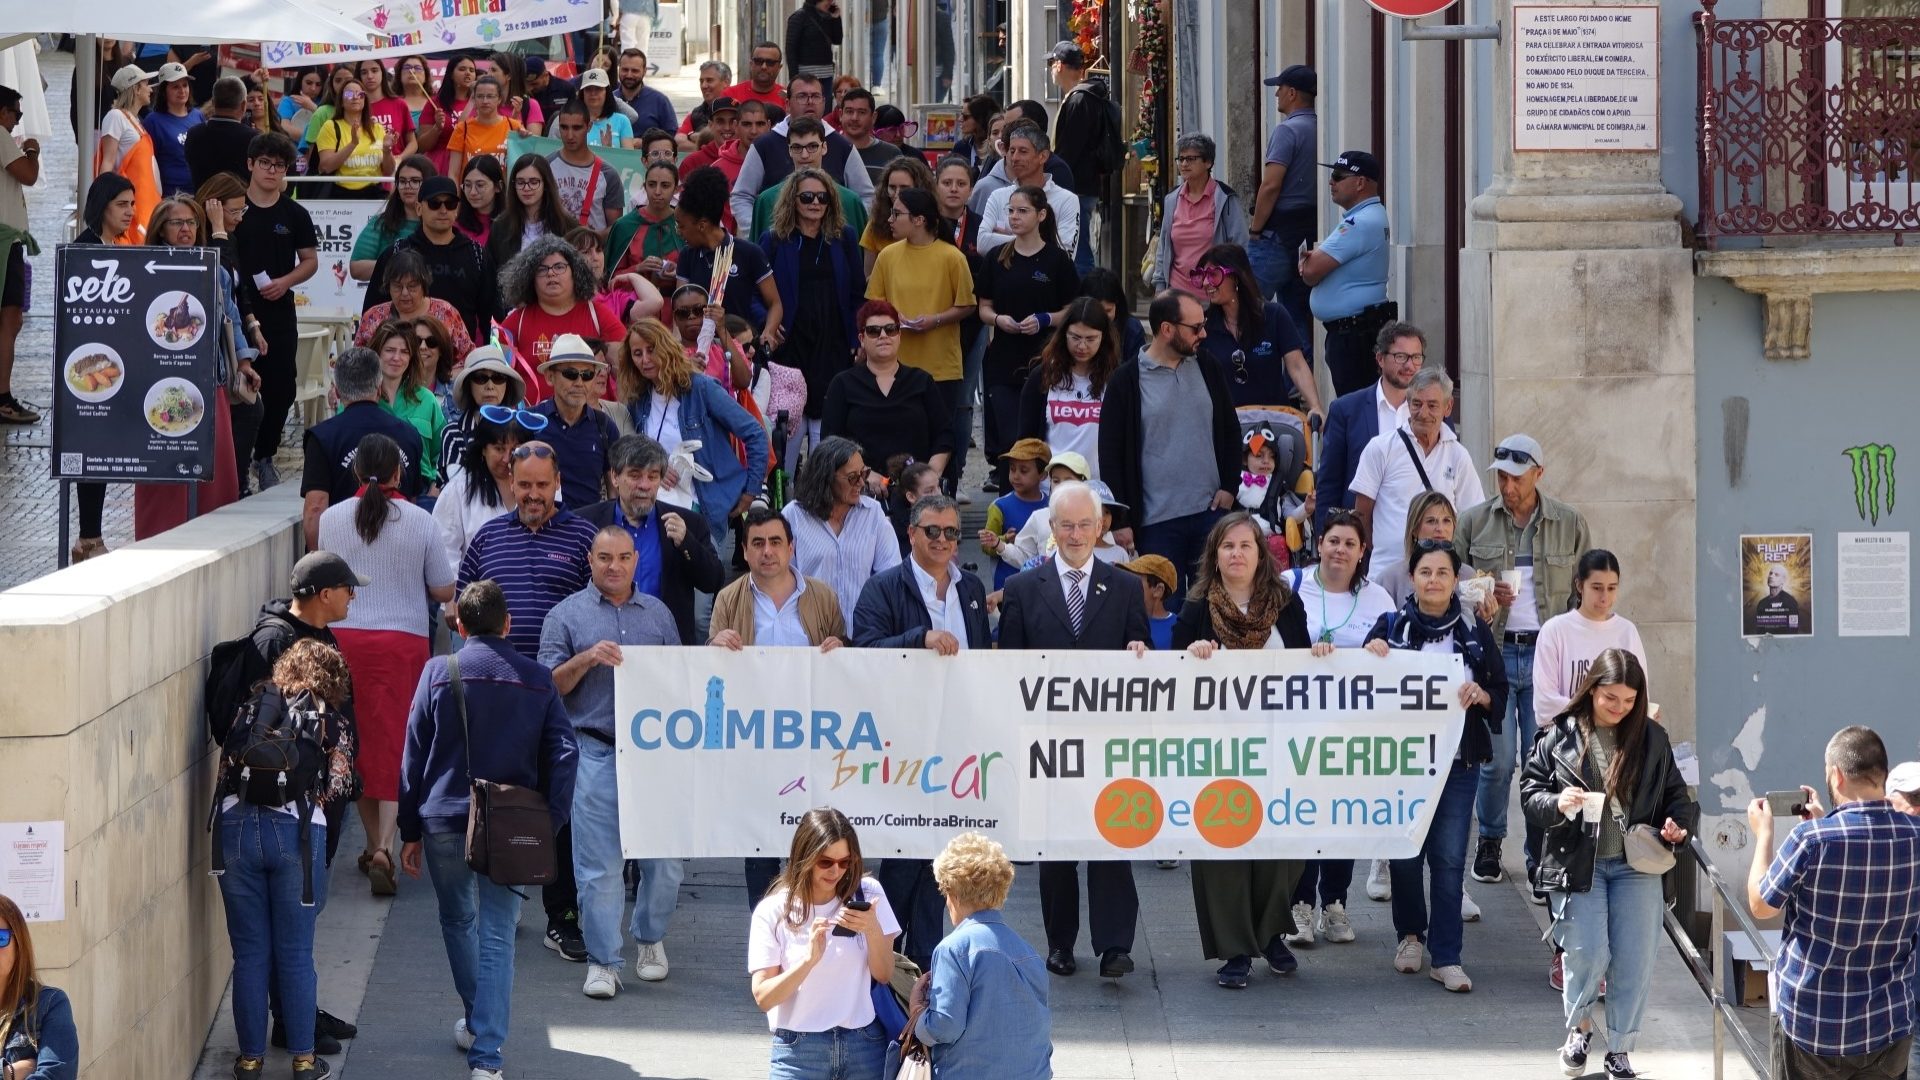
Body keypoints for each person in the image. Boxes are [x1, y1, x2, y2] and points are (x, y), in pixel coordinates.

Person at [397, 578, 576, 1080]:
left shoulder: (438, 672)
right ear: (508, 624)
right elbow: (564, 753)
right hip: (511, 823)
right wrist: (550, 820)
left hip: (445, 819)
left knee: (458, 920)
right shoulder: (537, 679)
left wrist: (408, 830)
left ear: (459, 626)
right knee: (498, 934)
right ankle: (487, 1055)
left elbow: (413, 755)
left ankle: (479, 1022)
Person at [1518, 648, 1694, 1079]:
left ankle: (1620, 1048)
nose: (1619, 708)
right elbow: (1530, 791)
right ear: (1592, 689)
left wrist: (1678, 826)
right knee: (1587, 952)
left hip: (1637, 865)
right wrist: (1558, 802)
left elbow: (1677, 795)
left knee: (1634, 959)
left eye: (1629, 700)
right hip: (1580, 864)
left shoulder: (1652, 738)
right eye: (1610, 697)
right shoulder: (1559, 734)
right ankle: (1579, 1030)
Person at [998, 481, 1150, 977]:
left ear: (1101, 526)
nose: (1077, 534)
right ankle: (1060, 944)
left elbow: (1142, 651)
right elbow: (1010, 668)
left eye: (1086, 524)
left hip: (1109, 741)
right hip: (1047, 743)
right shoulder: (1023, 589)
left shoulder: (1125, 587)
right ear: (1052, 527)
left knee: (1112, 836)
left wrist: (1139, 652)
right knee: (1056, 849)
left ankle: (1115, 946)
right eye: (1067, 525)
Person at [539, 526, 682, 999]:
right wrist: (586, 659)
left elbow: (682, 680)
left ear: (636, 560)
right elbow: (550, 686)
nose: (614, 566)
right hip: (594, 750)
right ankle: (603, 961)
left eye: (623, 557)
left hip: (654, 756)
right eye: (604, 557)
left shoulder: (659, 614)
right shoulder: (565, 615)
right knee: (598, 866)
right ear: (590, 560)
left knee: (665, 864)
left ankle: (650, 937)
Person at [1170, 512, 1311, 988]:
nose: (1236, 554)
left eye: (1245, 545)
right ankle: (1234, 949)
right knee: (1223, 848)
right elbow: (1172, 678)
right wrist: (1192, 657)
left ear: (1260, 554)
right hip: (1218, 753)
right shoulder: (1195, 608)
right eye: (1227, 546)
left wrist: (1323, 657)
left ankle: (1270, 933)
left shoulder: (1286, 604)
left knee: (1282, 845)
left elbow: (1306, 668)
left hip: (1279, 748)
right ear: (1215, 555)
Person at [849, 493, 988, 965]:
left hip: (957, 737)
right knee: (906, 846)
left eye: (952, 532)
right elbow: (864, 652)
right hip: (902, 739)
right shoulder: (883, 588)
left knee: (940, 849)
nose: (943, 540)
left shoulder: (971, 588)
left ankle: (921, 958)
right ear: (911, 534)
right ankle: (885, 947)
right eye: (933, 531)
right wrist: (919, 639)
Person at [1364, 540, 1507, 993]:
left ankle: (1447, 957)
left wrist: (1481, 696)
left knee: (1448, 859)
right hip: (1402, 764)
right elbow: (1360, 684)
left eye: (1443, 573)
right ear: (1412, 578)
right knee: (1405, 855)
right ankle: (1410, 936)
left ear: (1454, 581)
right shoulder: (1391, 626)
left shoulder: (1474, 630)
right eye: (1425, 572)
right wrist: (1372, 653)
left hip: (1458, 762)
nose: (1433, 580)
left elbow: (1499, 689)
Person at [318, 433, 457, 899]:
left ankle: (370, 842)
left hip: (346, 640)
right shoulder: (420, 521)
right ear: (400, 473)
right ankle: (385, 845)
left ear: (356, 471)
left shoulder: (332, 519)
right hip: (404, 644)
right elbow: (443, 588)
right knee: (399, 740)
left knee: (355, 739)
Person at [218, 639, 358, 1080]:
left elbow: (226, 770)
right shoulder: (331, 720)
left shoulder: (252, 709)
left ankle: (249, 1061)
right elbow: (338, 788)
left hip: (235, 829)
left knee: (249, 954)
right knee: (295, 953)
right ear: (333, 680)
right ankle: (303, 1060)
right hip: (297, 833)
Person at [1747, 725, 1920, 1080]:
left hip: (1815, 1028)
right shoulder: (1913, 835)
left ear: (1837, 775)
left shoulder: (1810, 840)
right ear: (1883, 774)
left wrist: (1764, 835)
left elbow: (1761, 904)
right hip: (1887, 1024)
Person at [1459, 433, 1590, 893]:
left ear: (1539, 473)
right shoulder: (1475, 521)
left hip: (1545, 656)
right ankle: (1490, 842)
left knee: (1545, 760)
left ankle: (1539, 857)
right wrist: (1482, 591)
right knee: (1497, 761)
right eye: (1501, 477)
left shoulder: (1569, 523)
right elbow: (1448, 580)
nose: (1507, 486)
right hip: (1495, 654)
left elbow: (1583, 590)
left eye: (1516, 477)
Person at [1279, 509, 1397, 943]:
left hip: (1353, 730)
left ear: (1363, 551)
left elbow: (1397, 655)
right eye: (1333, 541)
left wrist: (1381, 649)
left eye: (1350, 543)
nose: (1340, 550)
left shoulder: (1379, 599)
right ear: (1319, 544)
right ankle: (1300, 906)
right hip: (1298, 726)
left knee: (1343, 818)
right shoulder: (1291, 585)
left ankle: (1335, 904)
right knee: (1304, 816)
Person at [1098, 289, 1241, 603]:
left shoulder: (1207, 366)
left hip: (1210, 514)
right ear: (1166, 329)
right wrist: (1120, 521)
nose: (1203, 334)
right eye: (1195, 328)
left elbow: (1230, 430)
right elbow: (1110, 456)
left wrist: (1230, 486)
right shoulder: (1125, 381)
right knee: (1164, 610)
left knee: (1214, 608)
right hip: (1156, 523)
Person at [749, 809, 900, 1080]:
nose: (836, 871)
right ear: (804, 858)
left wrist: (872, 930)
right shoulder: (773, 910)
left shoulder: (868, 893)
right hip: (798, 1050)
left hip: (863, 1045)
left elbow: (884, 973)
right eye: (825, 862)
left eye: (845, 862)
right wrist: (807, 962)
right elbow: (764, 997)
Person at [128, 198, 249, 538]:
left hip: (209, 381)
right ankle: (156, 539)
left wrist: (244, 361)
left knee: (215, 475)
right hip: (157, 383)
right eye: (177, 222)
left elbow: (231, 318)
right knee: (161, 470)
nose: (186, 229)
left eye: (192, 222)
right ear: (160, 230)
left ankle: (211, 541)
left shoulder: (215, 269)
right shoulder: (141, 269)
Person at [914, 832, 1053, 1077]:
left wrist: (917, 1013)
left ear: (952, 893)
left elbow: (944, 1027)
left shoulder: (953, 949)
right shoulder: (1027, 951)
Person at [619, 318, 769, 544]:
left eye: (651, 350)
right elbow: (633, 452)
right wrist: (655, 465)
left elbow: (755, 433)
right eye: (637, 353)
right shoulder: (638, 400)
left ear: (666, 348)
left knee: (703, 567)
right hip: (657, 508)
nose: (645, 360)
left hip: (706, 509)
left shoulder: (700, 387)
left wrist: (751, 491)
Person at [580, 434, 726, 646]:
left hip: (665, 649)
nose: (644, 485)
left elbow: (712, 581)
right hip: (601, 645)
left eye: (653, 476)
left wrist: (686, 543)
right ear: (614, 477)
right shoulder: (587, 522)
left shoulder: (689, 523)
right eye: (635, 475)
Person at [233, 132, 319, 491]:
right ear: (250, 164)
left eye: (279, 165)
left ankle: (264, 455)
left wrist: (285, 282)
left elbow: (310, 260)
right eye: (265, 163)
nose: (271, 171)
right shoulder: (236, 209)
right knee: (239, 386)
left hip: (279, 309)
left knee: (282, 386)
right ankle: (238, 463)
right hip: (237, 310)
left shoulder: (294, 213)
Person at [1349, 368, 1484, 596]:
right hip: (1387, 578)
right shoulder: (1381, 448)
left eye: (1432, 405)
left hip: (1439, 582)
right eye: (1417, 404)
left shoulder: (1458, 455)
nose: (1423, 413)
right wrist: (1389, 551)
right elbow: (1361, 515)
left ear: (1448, 407)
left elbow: (1473, 517)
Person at [977, 185, 1079, 480]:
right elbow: (983, 307)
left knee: (1041, 437)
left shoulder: (1057, 260)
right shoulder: (996, 257)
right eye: (1010, 211)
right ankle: (1008, 496)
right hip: (1003, 360)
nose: (1014, 217)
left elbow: (1073, 310)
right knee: (1010, 440)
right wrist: (999, 320)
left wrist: (1046, 319)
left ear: (1041, 214)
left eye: (1022, 211)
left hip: (1047, 359)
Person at [759, 166, 867, 428]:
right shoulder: (774, 240)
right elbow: (755, 292)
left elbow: (857, 292)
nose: (815, 203)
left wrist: (857, 336)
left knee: (828, 420)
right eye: (807, 197)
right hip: (790, 340)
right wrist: (768, 323)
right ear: (793, 201)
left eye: (823, 197)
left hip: (833, 340)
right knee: (789, 422)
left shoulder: (845, 237)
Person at [867, 187, 976, 445]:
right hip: (895, 364)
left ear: (919, 220)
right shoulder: (887, 256)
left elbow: (967, 305)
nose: (890, 219)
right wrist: (893, 315)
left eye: (897, 214)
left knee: (938, 438)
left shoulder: (952, 257)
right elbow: (874, 300)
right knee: (899, 438)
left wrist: (935, 320)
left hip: (941, 367)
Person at [300, 347, 424, 549]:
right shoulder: (409, 435)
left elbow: (315, 508)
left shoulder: (322, 437)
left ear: (337, 391)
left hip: (341, 555)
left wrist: (319, 560)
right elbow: (412, 502)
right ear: (379, 388)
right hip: (398, 553)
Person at [195, 172, 271, 498]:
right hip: (210, 347)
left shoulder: (230, 239)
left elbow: (239, 291)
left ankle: (235, 482)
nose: (240, 218)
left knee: (251, 408)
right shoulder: (208, 242)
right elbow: (220, 278)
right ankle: (233, 485)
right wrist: (218, 231)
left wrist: (253, 325)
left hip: (234, 337)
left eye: (243, 210)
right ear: (213, 206)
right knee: (246, 410)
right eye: (234, 211)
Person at [782, 437, 902, 635]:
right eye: (852, 477)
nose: (861, 482)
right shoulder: (793, 516)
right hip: (810, 635)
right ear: (826, 478)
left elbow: (890, 576)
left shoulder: (873, 513)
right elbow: (782, 580)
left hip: (864, 634)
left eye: (864, 473)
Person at [823, 300, 953, 481]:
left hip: (917, 485)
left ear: (899, 335)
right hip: (860, 486)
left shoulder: (922, 381)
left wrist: (929, 475)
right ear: (861, 339)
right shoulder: (843, 384)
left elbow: (944, 435)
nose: (883, 335)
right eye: (873, 331)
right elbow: (830, 443)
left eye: (890, 329)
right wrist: (864, 474)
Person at [729, 73, 874, 230]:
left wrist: (845, 231)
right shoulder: (764, 145)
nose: (810, 102)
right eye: (802, 96)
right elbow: (742, 196)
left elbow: (866, 196)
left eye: (816, 96)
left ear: (824, 102)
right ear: (787, 104)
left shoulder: (843, 146)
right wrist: (758, 232)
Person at [1314, 321, 1421, 531]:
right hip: (1361, 532)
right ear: (1380, 358)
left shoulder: (1433, 412)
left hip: (1416, 532)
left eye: (1416, 357)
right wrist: (1324, 537)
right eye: (1401, 357)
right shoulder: (1346, 410)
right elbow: (1329, 484)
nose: (1410, 366)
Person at [1300, 150, 1391, 396]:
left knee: (1356, 405)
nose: (1331, 182)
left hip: (1354, 334)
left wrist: (1308, 265)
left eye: (1339, 176)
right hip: (1355, 330)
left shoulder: (1358, 222)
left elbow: (1311, 271)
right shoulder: (1368, 216)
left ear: (1360, 182)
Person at [1192, 244, 1318, 419]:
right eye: (1203, 276)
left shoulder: (1274, 315)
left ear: (1236, 277)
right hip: (1227, 424)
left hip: (1274, 421)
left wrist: (1315, 406)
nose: (1206, 283)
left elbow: (1297, 366)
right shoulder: (1203, 327)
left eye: (1213, 275)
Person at [364, 175, 495, 342]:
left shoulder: (477, 255)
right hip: (404, 352)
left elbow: (492, 320)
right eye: (434, 204)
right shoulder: (395, 253)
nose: (443, 210)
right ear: (419, 208)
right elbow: (372, 315)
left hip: (459, 353)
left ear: (457, 209)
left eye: (450, 204)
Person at [498, 236, 623, 400]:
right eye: (542, 269)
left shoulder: (598, 314)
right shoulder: (516, 322)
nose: (551, 273)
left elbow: (624, 372)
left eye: (559, 267)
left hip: (591, 415)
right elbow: (496, 378)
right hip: (532, 415)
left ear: (575, 272)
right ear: (530, 278)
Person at [1248, 65, 1317, 333]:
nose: (1276, 94)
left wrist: (1255, 230)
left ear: (1292, 93)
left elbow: (1271, 185)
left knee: (1245, 304)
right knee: (1296, 314)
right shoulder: (1319, 127)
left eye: (1280, 88)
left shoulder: (1287, 131)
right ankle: (1299, 359)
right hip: (1307, 231)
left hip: (1277, 234)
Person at [434, 405, 537, 571]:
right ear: (483, 449)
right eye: (499, 448)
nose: (506, 459)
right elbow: (445, 553)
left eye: (515, 450)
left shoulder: (542, 488)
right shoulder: (459, 489)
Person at [677, 166, 782, 327]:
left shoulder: (750, 253)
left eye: (681, 226)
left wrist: (769, 332)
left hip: (742, 341)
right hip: (701, 342)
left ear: (702, 225)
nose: (679, 232)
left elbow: (775, 304)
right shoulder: (686, 256)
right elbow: (681, 308)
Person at [1044, 41, 1115, 274]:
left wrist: (1054, 176)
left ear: (1059, 65)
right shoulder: (1082, 97)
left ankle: (1086, 294)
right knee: (1075, 247)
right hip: (1081, 186)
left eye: (1052, 64)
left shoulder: (1079, 99)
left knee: (1078, 252)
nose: (1050, 70)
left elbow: (1070, 149)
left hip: (1076, 187)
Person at [1150, 134, 1249, 294]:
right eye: (1181, 159)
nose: (1184, 164)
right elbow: (1164, 248)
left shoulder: (1225, 199)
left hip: (1213, 293)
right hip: (1177, 294)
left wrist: (1236, 288)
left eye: (1191, 159)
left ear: (1208, 162)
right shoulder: (1172, 199)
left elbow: (1241, 245)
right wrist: (1160, 288)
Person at [748, 117, 868, 243]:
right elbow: (756, 252)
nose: (804, 155)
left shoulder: (850, 201)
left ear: (824, 148)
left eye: (812, 146)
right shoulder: (766, 201)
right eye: (797, 147)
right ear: (789, 150)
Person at [0, 893, 80, 1080]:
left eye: (1, 938)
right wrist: (9, 1072)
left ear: (19, 944)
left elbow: (56, 1075)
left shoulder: (50, 1005)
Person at [361, 319, 449, 490]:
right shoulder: (359, 397)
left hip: (421, 490)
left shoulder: (426, 399)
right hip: (368, 490)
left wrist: (435, 483)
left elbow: (442, 452)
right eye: (389, 350)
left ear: (411, 357)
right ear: (376, 353)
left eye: (404, 352)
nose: (396, 358)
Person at [975, 124, 1079, 257]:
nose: (1015, 158)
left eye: (1023, 151)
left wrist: (1004, 239)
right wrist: (1038, 241)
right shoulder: (997, 196)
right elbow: (982, 244)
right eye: (1012, 151)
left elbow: (1064, 254)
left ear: (1043, 156)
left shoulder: (1067, 200)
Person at [355, 250, 476, 362]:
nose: (405, 293)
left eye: (412, 286)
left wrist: (449, 375)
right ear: (388, 286)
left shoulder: (446, 312)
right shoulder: (373, 317)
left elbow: (468, 356)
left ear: (424, 285)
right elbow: (357, 361)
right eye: (397, 286)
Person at [0, 83, 39, 427]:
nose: (17, 120)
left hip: (8, 239)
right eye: (17, 113)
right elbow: (28, 175)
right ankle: (2, 398)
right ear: (3, 112)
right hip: (4, 239)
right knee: (9, 319)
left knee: (10, 319)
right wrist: (32, 152)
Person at [978, 437, 1053, 593]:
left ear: (1043, 475)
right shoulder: (999, 506)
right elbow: (986, 546)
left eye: (1024, 471)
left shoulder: (1052, 506)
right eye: (1012, 469)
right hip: (1006, 586)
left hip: (1042, 587)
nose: (1016, 476)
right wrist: (1004, 539)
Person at [97, 65, 161, 242]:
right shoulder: (115, 117)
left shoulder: (136, 121)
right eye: (146, 84)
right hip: (132, 202)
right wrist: (103, 200)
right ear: (136, 88)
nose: (150, 89)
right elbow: (108, 161)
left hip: (146, 201)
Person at [349, 155, 433, 282]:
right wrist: (402, 266)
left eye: (415, 181)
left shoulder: (440, 223)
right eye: (402, 181)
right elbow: (356, 268)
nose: (407, 186)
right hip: (388, 293)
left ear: (430, 184)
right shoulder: (382, 223)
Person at [546, 102, 626, 231]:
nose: (570, 135)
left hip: (591, 244)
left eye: (577, 128)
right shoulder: (545, 167)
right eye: (564, 127)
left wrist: (594, 237)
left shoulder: (608, 174)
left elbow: (615, 229)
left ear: (589, 126)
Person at [488, 154, 573, 267]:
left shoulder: (567, 225)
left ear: (546, 184)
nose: (526, 188)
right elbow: (490, 271)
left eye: (533, 182)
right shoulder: (501, 226)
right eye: (520, 182)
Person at [313, 78, 393, 198]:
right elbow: (326, 167)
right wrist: (352, 144)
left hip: (374, 192)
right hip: (341, 194)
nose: (355, 97)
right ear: (341, 102)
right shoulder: (330, 127)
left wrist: (387, 151)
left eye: (360, 94)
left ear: (365, 100)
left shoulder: (377, 128)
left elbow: (389, 170)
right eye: (349, 94)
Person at [860, 154, 935, 273]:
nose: (897, 194)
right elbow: (869, 277)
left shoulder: (934, 224)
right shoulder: (875, 224)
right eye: (892, 187)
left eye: (904, 188)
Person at [144, 61, 206, 202]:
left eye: (185, 85)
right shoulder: (153, 121)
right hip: (169, 197)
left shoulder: (198, 115)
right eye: (175, 87)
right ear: (163, 91)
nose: (182, 90)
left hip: (199, 193)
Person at [185, 76, 257, 190]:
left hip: (202, 199)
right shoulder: (253, 138)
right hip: (240, 200)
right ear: (243, 105)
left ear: (213, 103)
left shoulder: (193, 134)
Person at [446, 76, 523, 180]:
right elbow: (453, 173)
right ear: (474, 99)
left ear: (499, 99)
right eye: (480, 96)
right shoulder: (462, 128)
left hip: (503, 189)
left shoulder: (514, 126)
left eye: (490, 96)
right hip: (471, 189)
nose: (485, 101)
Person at [837, 88, 902, 186]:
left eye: (862, 112)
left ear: (873, 117)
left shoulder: (892, 154)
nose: (854, 118)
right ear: (840, 115)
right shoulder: (827, 150)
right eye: (849, 111)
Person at [612, 48, 678, 134]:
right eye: (625, 70)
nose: (629, 75)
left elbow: (672, 135)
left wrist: (646, 141)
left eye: (635, 71)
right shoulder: (608, 99)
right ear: (619, 69)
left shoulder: (660, 101)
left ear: (644, 71)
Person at [454, 153, 508, 248]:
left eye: (480, 185)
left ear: (498, 186)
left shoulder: (512, 225)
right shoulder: (455, 229)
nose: (473, 192)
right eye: (468, 185)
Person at [677, 61, 735, 148]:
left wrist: (698, 137)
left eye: (709, 80)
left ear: (726, 82)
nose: (704, 86)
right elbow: (679, 141)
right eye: (701, 81)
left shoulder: (740, 109)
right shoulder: (696, 114)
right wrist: (706, 150)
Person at [724, 42, 791, 111]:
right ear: (751, 64)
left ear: (779, 67)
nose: (764, 67)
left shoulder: (789, 98)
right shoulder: (730, 95)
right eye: (758, 61)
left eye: (770, 62)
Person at [785, 0, 842, 80]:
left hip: (827, 73)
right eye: (828, 0)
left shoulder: (828, 17)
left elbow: (837, 40)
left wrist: (836, 18)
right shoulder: (799, 17)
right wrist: (794, 78)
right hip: (805, 75)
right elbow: (791, 49)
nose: (831, 3)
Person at [1752, 563, 1803, 632]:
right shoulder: (1762, 604)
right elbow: (1759, 630)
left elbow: (1793, 629)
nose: (1771, 576)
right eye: (1770, 573)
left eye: (1776, 575)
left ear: (1783, 580)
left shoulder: (1790, 602)